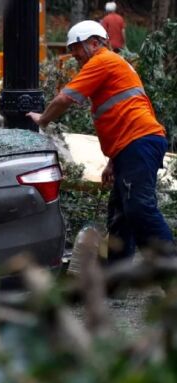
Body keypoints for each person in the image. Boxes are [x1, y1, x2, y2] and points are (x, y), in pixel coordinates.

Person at [27, 20, 174, 264]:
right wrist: (113, 162)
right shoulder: (111, 64)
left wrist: (42, 119)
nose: (74, 56)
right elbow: (121, 116)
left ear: (94, 43)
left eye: (77, 49)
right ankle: (117, 277)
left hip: (139, 143)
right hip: (133, 145)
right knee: (120, 215)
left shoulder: (102, 61)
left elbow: (65, 98)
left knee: (139, 210)